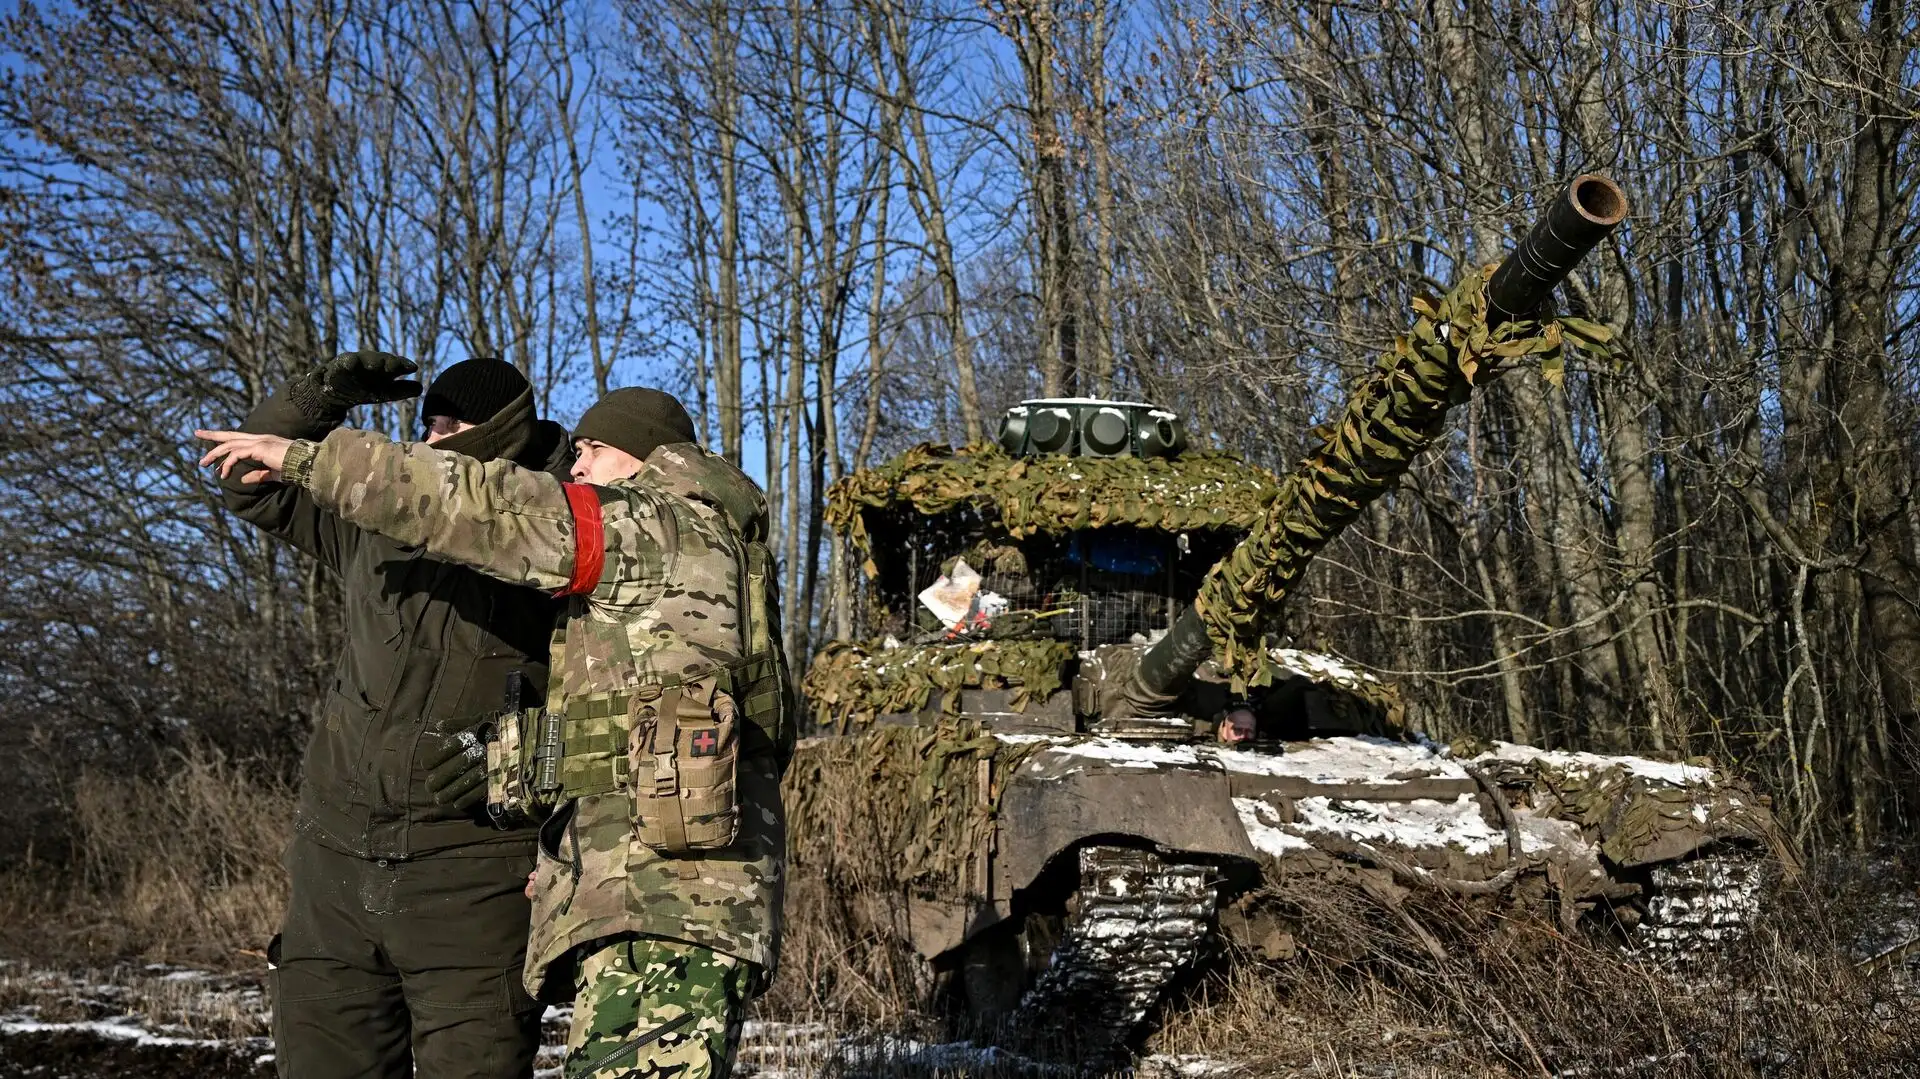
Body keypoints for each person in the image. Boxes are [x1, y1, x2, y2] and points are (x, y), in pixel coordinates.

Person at [199, 386, 792, 1079]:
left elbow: (493, 509)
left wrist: (314, 458)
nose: (576, 467)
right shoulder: (715, 553)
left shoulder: (652, 526)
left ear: (642, 458)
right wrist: (530, 766)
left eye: (592, 451)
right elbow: (701, 731)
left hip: (668, 905)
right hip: (659, 898)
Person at [216, 352, 572, 1079]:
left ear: (501, 433)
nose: (432, 438)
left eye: (453, 425)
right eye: (427, 423)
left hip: (472, 880)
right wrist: (313, 401)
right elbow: (245, 481)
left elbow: (614, 705)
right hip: (335, 867)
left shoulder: (560, 534)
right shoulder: (374, 519)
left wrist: (521, 751)